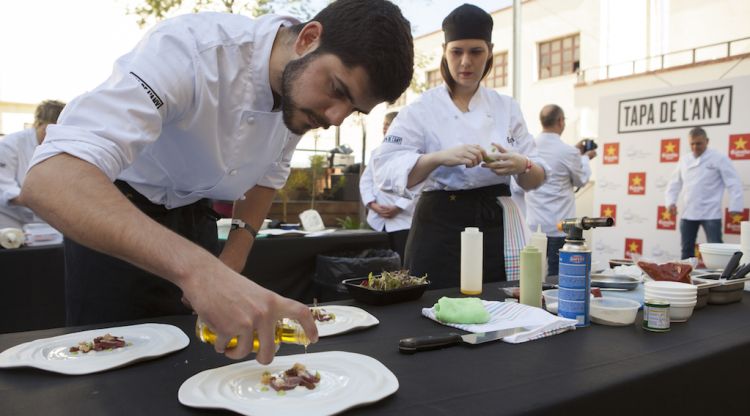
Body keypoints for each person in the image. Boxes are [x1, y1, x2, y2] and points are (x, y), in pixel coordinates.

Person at [19, 0, 414, 363]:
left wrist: (230, 263)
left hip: (196, 220)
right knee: (108, 369)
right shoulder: (193, 50)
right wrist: (201, 272)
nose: (335, 118)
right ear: (308, 39)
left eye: (353, 110)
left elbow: (268, 178)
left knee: (196, 365)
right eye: (337, 91)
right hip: (113, 216)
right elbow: (51, 177)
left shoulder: (303, 94)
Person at [371, 4, 547, 289]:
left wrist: (521, 164)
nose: (466, 61)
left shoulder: (507, 108)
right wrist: (439, 158)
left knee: (495, 304)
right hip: (439, 224)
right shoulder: (421, 109)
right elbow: (386, 169)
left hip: (495, 224)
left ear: (489, 50)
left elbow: (536, 176)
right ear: (444, 50)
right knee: (434, 306)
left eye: (476, 51)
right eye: (457, 51)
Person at [524, 104, 595, 276]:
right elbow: (581, 179)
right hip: (558, 226)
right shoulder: (568, 151)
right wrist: (584, 158)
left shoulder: (529, 146)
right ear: (560, 121)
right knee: (557, 279)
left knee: (532, 277)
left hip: (533, 225)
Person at [665, 126, 744, 259]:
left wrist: (735, 205)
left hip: (711, 213)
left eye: (699, 143)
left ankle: (721, 278)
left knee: (717, 249)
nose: (695, 147)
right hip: (688, 212)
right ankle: (684, 277)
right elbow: (674, 183)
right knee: (686, 250)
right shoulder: (685, 160)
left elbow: (733, 182)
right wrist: (670, 202)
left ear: (707, 141)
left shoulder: (719, 158)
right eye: (692, 144)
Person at [0, 100, 65, 229]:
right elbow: (4, 187)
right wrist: (40, 201)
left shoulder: (62, 147)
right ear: (39, 124)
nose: (55, 135)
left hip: (46, 223)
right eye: (51, 129)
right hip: (10, 220)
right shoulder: (10, 144)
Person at [359, 111, 414, 264]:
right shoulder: (377, 152)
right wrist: (372, 204)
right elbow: (366, 181)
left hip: (402, 222)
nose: (385, 129)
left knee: (401, 264)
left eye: (388, 125)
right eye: (384, 125)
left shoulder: (412, 153)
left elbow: (418, 187)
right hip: (376, 222)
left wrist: (398, 207)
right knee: (377, 264)